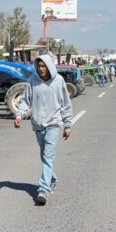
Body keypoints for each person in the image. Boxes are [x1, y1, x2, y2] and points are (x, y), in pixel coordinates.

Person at [14, 54, 73, 205]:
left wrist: (68, 125)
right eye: (38, 66)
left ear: (49, 66)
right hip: (38, 125)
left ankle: (43, 190)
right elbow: (26, 100)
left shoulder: (59, 81)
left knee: (48, 156)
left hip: (54, 124)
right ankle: (52, 179)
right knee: (44, 157)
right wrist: (19, 115)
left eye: (43, 66)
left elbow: (66, 104)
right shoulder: (33, 81)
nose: (41, 69)